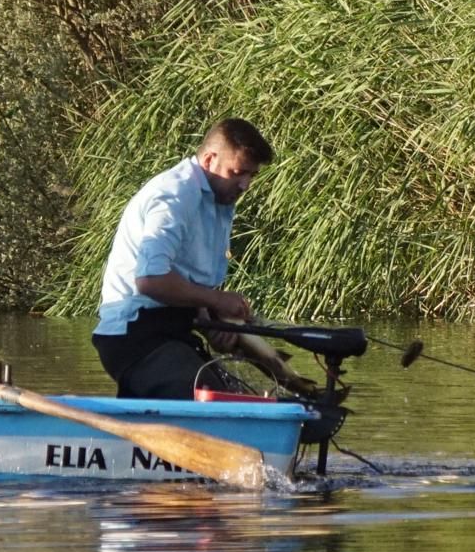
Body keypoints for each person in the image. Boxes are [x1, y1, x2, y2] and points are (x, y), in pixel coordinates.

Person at [92, 117, 313, 400]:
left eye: (252, 176)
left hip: (172, 332)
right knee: (208, 397)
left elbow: (186, 285)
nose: (245, 184)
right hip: (133, 334)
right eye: (238, 172)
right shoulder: (174, 196)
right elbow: (150, 280)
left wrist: (210, 324)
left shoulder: (217, 200)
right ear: (209, 159)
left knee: (232, 396)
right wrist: (217, 300)